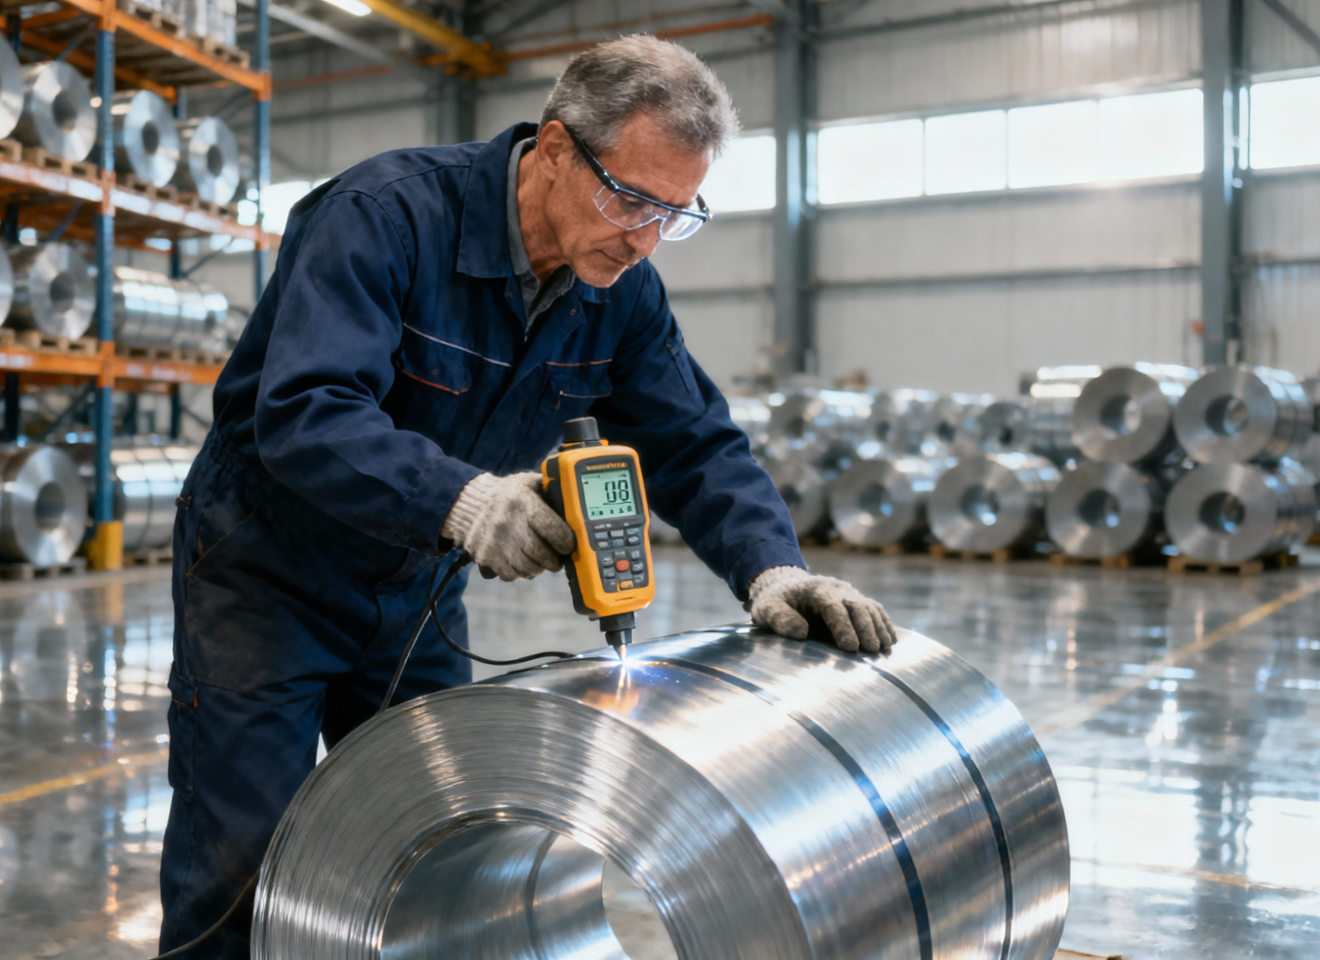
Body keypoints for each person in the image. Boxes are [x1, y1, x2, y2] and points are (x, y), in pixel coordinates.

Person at [159, 34, 898, 958]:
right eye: (628, 197)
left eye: (674, 213)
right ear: (554, 150)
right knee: (242, 864)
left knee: (430, 848)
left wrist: (772, 567)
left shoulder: (620, 292)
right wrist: (467, 503)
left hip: (417, 588)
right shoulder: (382, 218)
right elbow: (307, 411)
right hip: (267, 571)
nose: (642, 239)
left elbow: (694, 441)